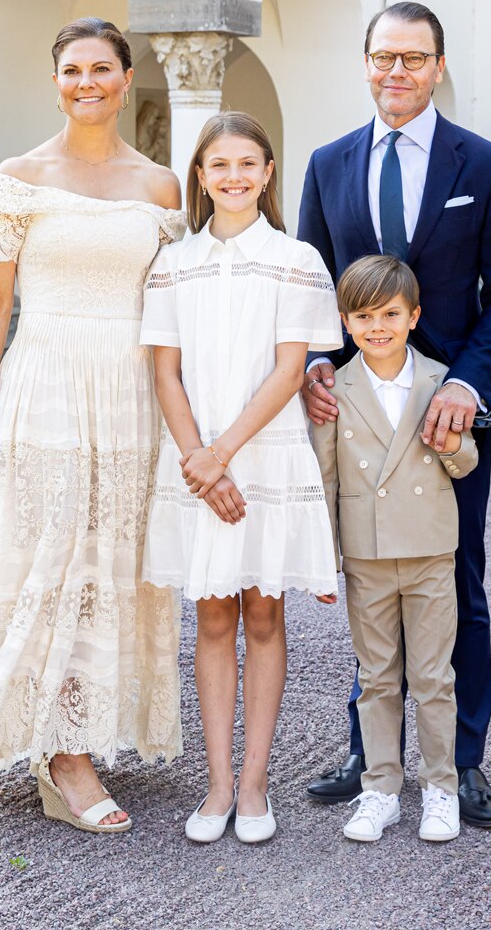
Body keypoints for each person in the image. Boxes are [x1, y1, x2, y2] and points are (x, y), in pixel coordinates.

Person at [0, 17, 185, 833]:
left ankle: (76, 731)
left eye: (103, 69)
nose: (88, 82)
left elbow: (173, 307)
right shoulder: (17, 178)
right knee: (48, 553)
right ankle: (61, 758)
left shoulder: (158, 186)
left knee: (111, 556)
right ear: (56, 80)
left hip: (127, 392)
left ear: (124, 78)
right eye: (73, 69)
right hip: (42, 382)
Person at [299, 1, 491, 827]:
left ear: (437, 67)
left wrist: (465, 388)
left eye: (413, 59)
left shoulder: (487, 167)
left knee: (456, 591)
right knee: (368, 587)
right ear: (365, 64)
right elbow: (315, 295)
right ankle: (373, 760)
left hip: (449, 422)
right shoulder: (328, 164)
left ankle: (459, 765)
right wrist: (318, 369)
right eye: (382, 57)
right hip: (358, 421)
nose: (396, 72)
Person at [140, 111, 342, 844]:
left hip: (263, 455)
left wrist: (221, 454)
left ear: (267, 174)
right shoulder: (171, 262)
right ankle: (218, 783)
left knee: (264, 614)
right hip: (195, 460)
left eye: (247, 164)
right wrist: (200, 460)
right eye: (218, 165)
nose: (233, 177)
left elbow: (292, 370)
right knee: (213, 617)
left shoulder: (297, 259)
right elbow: (165, 372)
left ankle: (256, 782)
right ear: (200, 176)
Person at [314, 255, 478, 842]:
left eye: (389, 313)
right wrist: (326, 558)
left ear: (413, 316)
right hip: (366, 551)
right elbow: (327, 477)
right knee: (377, 676)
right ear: (344, 322)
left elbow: (465, 465)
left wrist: (455, 443)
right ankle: (380, 788)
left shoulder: (443, 380)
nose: (376, 326)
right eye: (363, 315)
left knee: (434, 677)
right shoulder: (334, 386)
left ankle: (440, 789)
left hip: (431, 549)